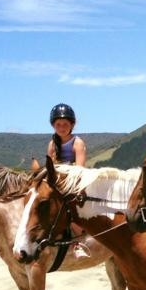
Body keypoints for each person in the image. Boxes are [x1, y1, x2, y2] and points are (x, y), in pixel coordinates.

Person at [46, 102, 90, 258]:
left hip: (74, 181)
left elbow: (80, 169)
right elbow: (50, 167)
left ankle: (79, 242)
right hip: (58, 182)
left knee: (68, 206)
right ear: (53, 126)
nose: (61, 127)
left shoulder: (77, 142)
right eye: (58, 124)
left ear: (72, 125)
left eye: (65, 124)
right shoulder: (52, 144)